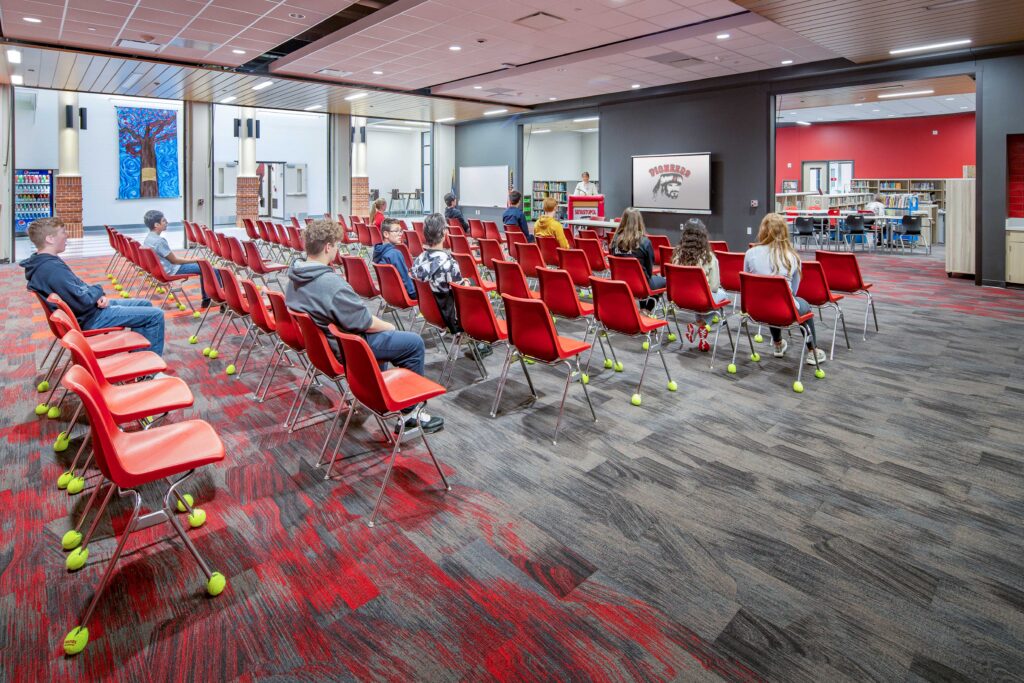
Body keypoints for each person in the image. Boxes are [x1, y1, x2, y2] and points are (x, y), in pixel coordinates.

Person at [286, 219, 443, 435]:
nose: (338, 249)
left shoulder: (294, 276)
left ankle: (376, 393)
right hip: (350, 347)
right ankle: (409, 416)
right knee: (413, 343)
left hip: (326, 348)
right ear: (328, 247)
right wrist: (388, 326)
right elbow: (364, 322)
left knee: (391, 344)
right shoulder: (329, 283)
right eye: (337, 245)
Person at [20, 217, 166, 356]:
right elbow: (82, 301)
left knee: (144, 303)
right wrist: (98, 290)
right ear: (50, 239)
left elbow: (77, 289)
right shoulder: (52, 270)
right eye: (63, 232)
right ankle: (148, 372)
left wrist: (97, 296)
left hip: (87, 309)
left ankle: (140, 357)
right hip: (90, 317)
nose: (67, 235)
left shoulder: (43, 262)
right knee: (155, 315)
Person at [743, 213, 826, 366]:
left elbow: (746, 285)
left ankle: (778, 344)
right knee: (804, 305)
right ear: (784, 232)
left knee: (769, 300)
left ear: (762, 230)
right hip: (783, 311)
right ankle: (812, 351)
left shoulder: (750, 254)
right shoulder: (792, 257)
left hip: (754, 310)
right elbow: (793, 292)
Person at [411, 214, 492, 358]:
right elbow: (459, 293)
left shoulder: (418, 261)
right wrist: (467, 283)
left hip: (430, 312)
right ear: (444, 233)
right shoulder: (449, 263)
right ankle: (480, 340)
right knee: (476, 290)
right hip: (449, 317)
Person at [671, 218, 727, 350]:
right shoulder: (709, 257)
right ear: (703, 236)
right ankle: (699, 325)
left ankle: (699, 327)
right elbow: (714, 287)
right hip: (700, 300)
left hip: (680, 299)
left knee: (700, 298)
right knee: (723, 295)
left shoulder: (676, 255)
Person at [141, 209, 216, 308]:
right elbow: (174, 260)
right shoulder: (159, 241)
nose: (167, 222)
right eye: (164, 221)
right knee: (208, 268)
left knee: (204, 266)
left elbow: (172, 258)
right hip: (171, 270)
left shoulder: (148, 239)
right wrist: (197, 260)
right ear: (156, 225)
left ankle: (208, 298)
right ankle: (212, 299)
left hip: (162, 270)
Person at [610, 207, 664, 310]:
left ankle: (644, 311)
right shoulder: (645, 242)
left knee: (650, 281)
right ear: (639, 221)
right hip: (641, 286)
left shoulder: (615, 241)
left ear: (623, 221)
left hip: (620, 284)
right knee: (662, 281)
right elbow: (649, 270)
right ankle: (646, 311)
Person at [372, 218, 417, 301]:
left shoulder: (377, 251)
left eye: (401, 231)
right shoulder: (395, 254)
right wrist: (414, 293)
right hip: (404, 295)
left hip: (388, 294)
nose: (400, 234)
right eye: (396, 231)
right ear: (386, 234)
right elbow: (405, 279)